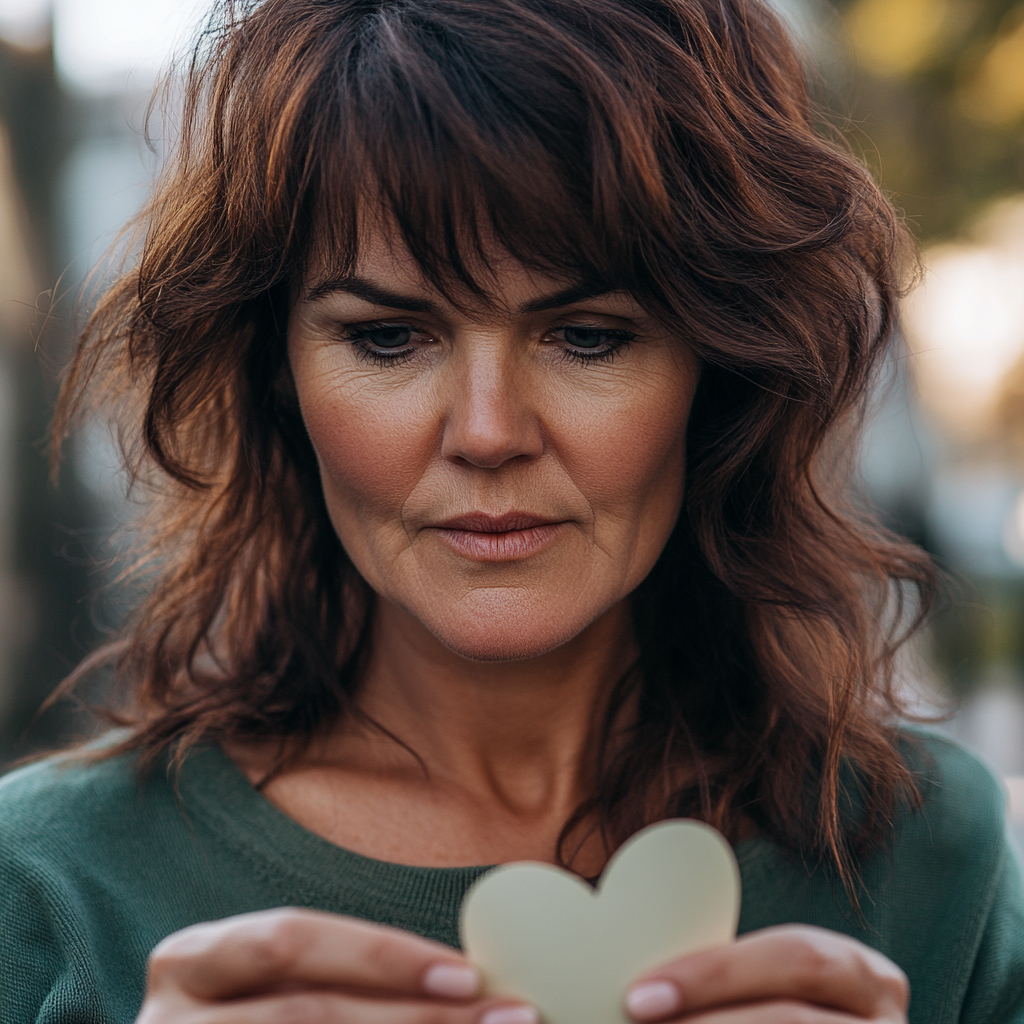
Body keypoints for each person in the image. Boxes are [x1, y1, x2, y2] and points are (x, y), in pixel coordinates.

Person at [2, 0, 1021, 1022]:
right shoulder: (48, 887)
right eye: (390, 338)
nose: (487, 431)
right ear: (279, 371)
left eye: (586, 335)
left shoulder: (931, 862)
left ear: (719, 367)